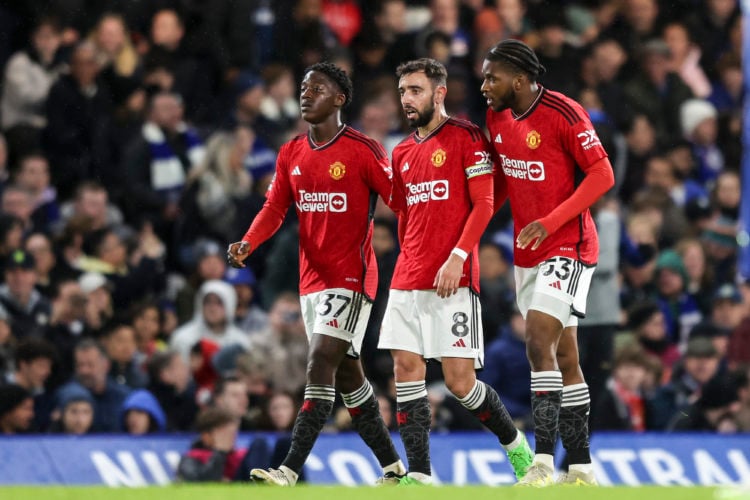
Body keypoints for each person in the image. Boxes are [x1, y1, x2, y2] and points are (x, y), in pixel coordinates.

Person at [227, 62, 405, 486]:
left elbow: (401, 200)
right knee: (348, 376)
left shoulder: (364, 149)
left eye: (317, 88)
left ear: (340, 99)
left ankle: (289, 469)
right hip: (312, 280)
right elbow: (275, 208)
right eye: (304, 88)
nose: (306, 94)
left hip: (353, 276)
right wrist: (249, 241)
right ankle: (394, 468)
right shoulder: (291, 152)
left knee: (320, 359)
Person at [377, 57, 533, 486]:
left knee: (460, 383)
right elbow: (405, 214)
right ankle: (422, 474)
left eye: (416, 90)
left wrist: (459, 256)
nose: (407, 99)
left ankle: (516, 447)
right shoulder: (403, 151)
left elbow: (484, 203)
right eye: (403, 90)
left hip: (453, 280)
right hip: (408, 278)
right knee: (406, 369)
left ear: (439, 92)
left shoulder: (466, 137)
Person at [481, 39, 615, 486]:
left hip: (570, 244)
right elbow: (502, 179)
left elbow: (602, 175)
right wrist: (475, 221)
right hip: (528, 250)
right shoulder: (496, 116)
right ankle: (581, 468)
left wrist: (551, 219)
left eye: (492, 77)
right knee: (565, 355)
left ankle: (541, 463)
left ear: (519, 80)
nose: (485, 85)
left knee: (538, 340)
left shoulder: (564, 112)